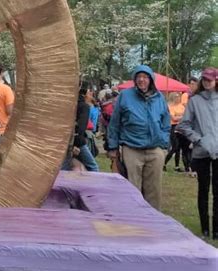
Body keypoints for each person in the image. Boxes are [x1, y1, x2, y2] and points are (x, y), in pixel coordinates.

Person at [107, 65, 170, 210]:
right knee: (132, 188)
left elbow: (166, 123)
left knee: (154, 189)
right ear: (135, 79)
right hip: (132, 148)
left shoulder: (159, 97)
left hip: (155, 149)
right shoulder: (125, 96)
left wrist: (164, 144)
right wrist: (112, 147)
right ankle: (132, 217)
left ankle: (153, 221)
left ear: (151, 80)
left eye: (145, 77)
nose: (142, 80)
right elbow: (114, 123)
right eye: (139, 77)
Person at [176, 67, 218, 239]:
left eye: (210, 79)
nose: (207, 82)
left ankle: (216, 228)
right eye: (204, 79)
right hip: (202, 152)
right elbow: (183, 125)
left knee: (217, 191)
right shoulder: (195, 101)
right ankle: (205, 227)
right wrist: (198, 139)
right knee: (203, 189)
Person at [63, 82, 99, 172]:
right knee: (93, 167)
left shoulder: (68, 103)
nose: (91, 95)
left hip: (64, 141)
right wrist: (76, 145)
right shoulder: (84, 106)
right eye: (90, 92)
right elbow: (81, 127)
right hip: (77, 142)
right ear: (86, 93)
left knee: (65, 168)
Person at [164, 92, 186, 172]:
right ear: (173, 98)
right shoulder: (170, 107)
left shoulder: (181, 106)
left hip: (181, 127)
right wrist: (181, 117)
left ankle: (177, 166)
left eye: (179, 97)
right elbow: (173, 118)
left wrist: (179, 117)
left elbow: (186, 115)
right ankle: (164, 163)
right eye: (176, 97)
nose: (178, 99)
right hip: (173, 127)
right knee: (175, 147)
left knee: (179, 148)